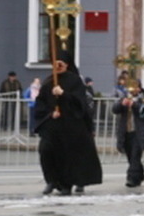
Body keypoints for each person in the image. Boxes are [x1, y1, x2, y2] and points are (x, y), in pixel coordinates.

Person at [33, 52, 103, 196]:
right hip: (52, 125)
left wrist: (64, 94)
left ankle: (66, 184)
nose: (58, 67)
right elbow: (40, 104)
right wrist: (50, 113)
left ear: (67, 65)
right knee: (45, 151)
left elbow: (80, 104)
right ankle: (51, 180)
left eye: (61, 64)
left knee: (67, 156)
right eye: (55, 63)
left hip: (71, 126)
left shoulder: (75, 81)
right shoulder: (48, 81)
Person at [112, 80, 144, 188]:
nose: (133, 90)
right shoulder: (123, 97)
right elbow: (114, 109)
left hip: (138, 132)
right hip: (126, 131)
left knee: (135, 155)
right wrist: (121, 104)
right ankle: (139, 174)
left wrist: (134, 104)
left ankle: (132, 178)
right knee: (131, 156)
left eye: (135, 87)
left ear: (139, 88)